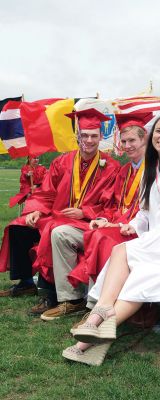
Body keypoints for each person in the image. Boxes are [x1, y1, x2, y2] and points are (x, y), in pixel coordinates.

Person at [62, 112, 160, 366]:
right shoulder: (153, 168)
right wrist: (132, 226)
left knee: (138, 278)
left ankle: (88, 338)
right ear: (152, 135)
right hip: (157, 239)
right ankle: (101, 316)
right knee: (120, 250)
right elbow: (145, 212)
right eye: (159, 131)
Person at [0, 109, 120, 315]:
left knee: (52, 230)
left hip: (86, 222)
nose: (89, 141)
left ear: (101, 137)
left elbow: (111, 206)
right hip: (57, 215)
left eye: (93, 136)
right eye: (84, 135)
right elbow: (47, 192)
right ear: (77, 136)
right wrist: (36, 210)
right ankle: (26, 282)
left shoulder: (111, 167)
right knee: (19, 225)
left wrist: (84, 212)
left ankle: (51, 295)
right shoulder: (62, 162)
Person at [40, 112, 151, 320]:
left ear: (144, 139)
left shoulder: (156, 170)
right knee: (60, 233)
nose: (127, 146)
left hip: (138, 230)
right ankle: (71, 300)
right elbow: (111, 203)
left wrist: (116, 222)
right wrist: (103, 219)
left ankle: (94, 306)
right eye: (124, 141)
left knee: (101, 238)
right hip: (112, 224)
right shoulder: (125, 170)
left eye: (132, 141)